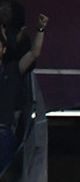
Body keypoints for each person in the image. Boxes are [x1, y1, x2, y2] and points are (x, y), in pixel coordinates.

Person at [0, 12, 48, 169]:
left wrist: (40, 29)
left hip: (3, 131)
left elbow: (34, 53)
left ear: (3, 50)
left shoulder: (12, 70)